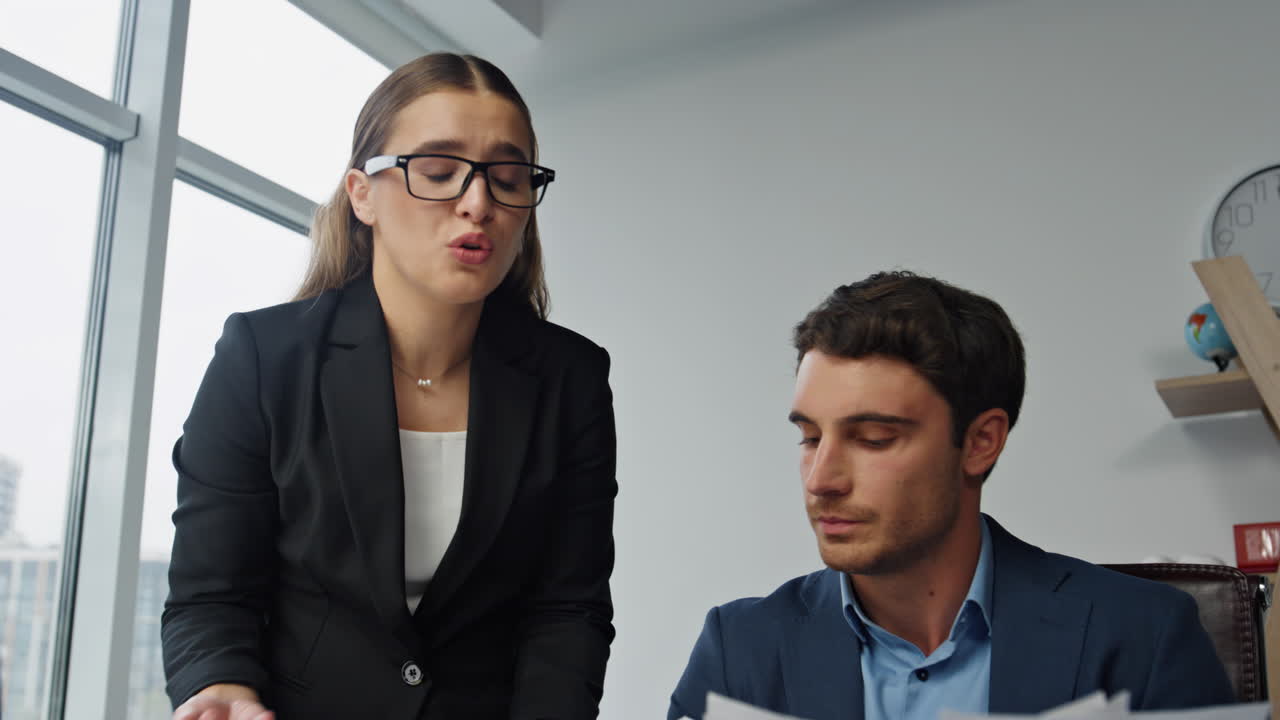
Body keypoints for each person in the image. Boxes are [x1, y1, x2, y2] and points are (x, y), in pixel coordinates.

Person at [162, 53, 617, 720]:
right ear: (362, 193)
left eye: (509, 177)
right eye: (437, 172)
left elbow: (568, 609)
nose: (477, 203)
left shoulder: (570, 379)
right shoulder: (261, 357)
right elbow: (212, 592)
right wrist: (221, 682)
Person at [668, 271, 1233, 720]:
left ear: (980, 442)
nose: (821, 478)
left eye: (873, 439)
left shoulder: (1144, 637)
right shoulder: (738, 650)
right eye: (809, 437)